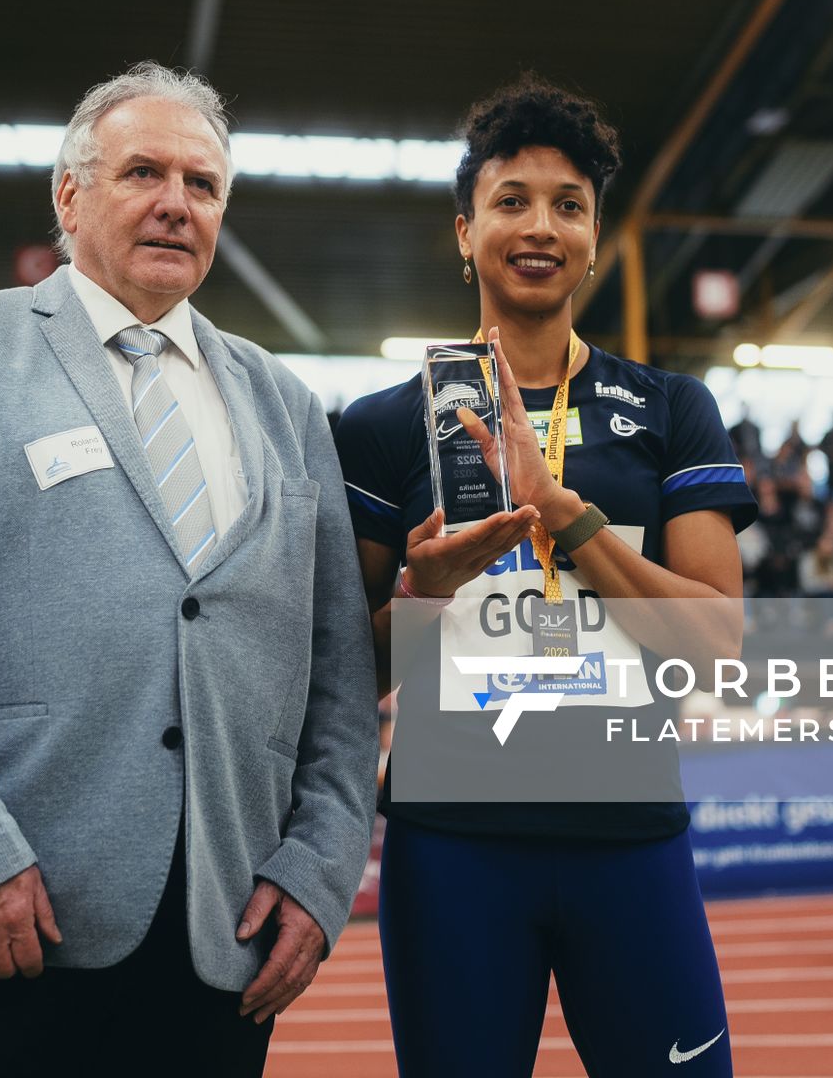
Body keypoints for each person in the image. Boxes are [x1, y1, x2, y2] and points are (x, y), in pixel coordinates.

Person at [0, 62, 379, 1077]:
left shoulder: (288, 404)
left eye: (203, 184)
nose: (176, 203)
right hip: (11, 926)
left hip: (224, 933)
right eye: (143, 172)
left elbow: (341, 682)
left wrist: (319, 872)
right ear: (69, 194)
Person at [335, 79, 754, 1077]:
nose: (539, 225)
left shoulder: (669, 408)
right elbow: (345, 671)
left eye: (568, 204)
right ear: (464, 230)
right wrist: (426, 597)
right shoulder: (383, 424)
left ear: (596, 236)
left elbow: (719, 644)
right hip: (452, 845)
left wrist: (573, 525)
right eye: (511, 199)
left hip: (631, 836)